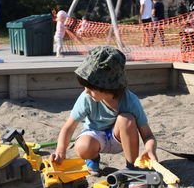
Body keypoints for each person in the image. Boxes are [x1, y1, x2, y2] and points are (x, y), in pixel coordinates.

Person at [50, 46, 157, 179]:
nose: (86, 91)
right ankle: (93, 160)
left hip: (119, 138)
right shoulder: (87, 98)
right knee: (83, 147)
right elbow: (68, 127)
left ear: (109, 87)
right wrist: (60, 151)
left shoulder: (130, 101)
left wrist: (150, 149)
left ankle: (131, 169)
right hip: (95, 136)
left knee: (126, 119)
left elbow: (148, 136)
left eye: (91, 87)